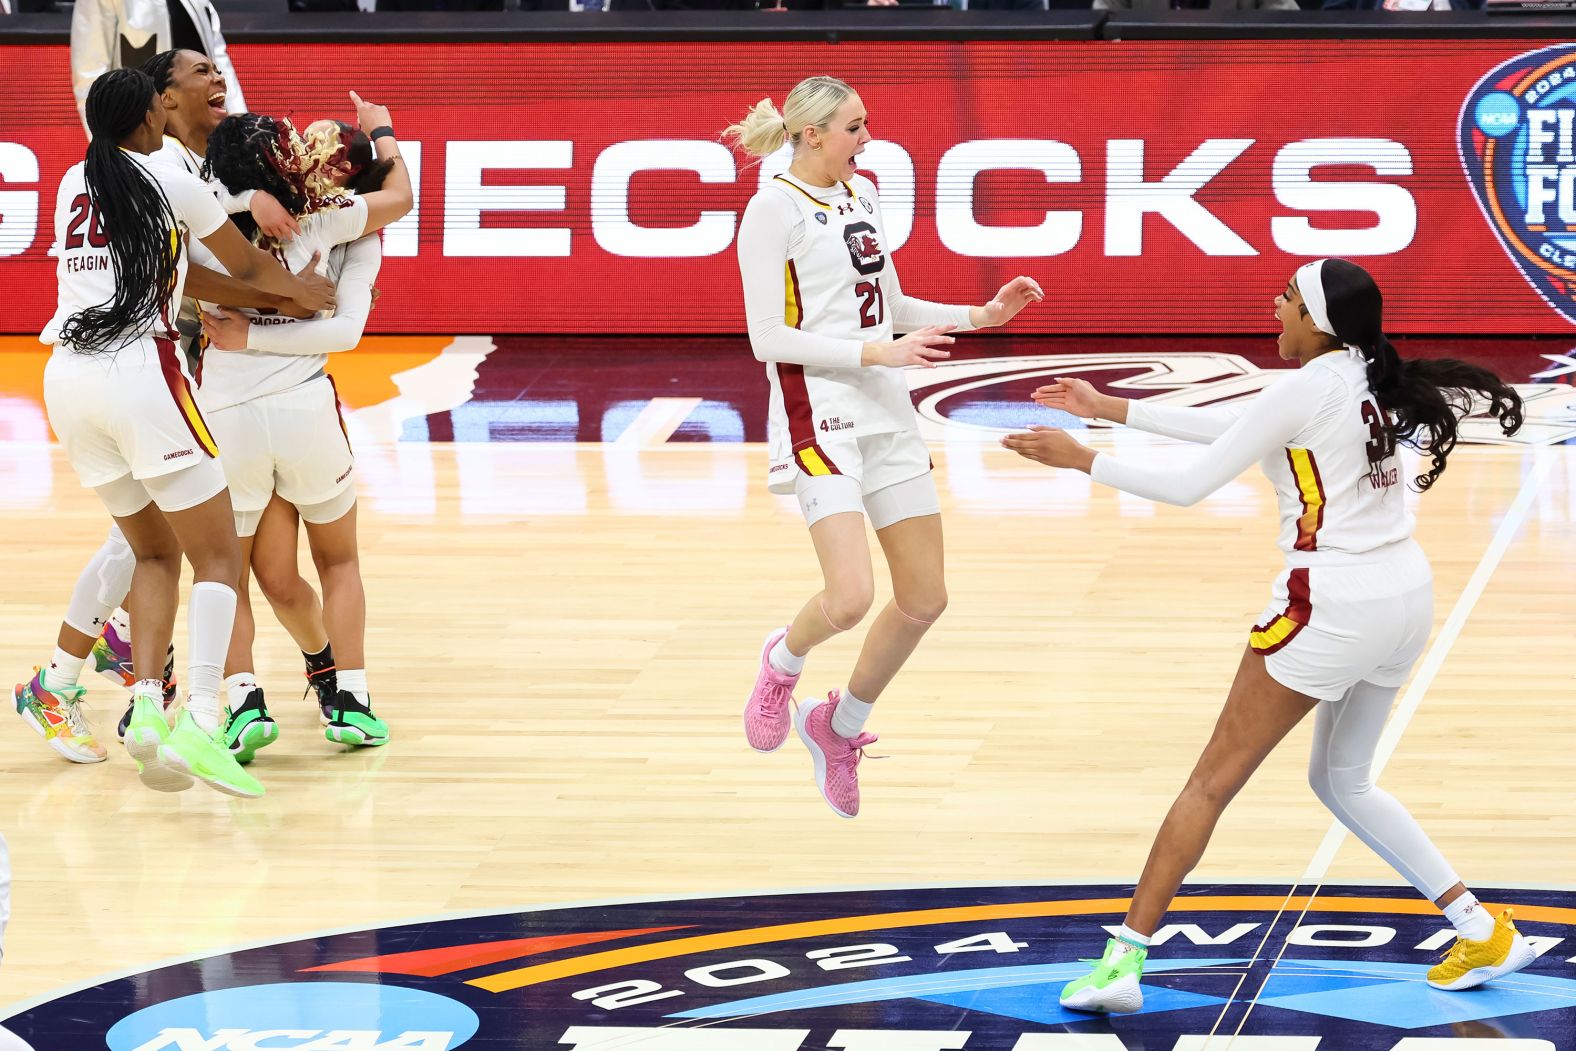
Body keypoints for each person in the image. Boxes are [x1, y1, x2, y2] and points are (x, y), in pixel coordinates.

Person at [1001, 258, 1532, 1011]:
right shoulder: (1361, 372)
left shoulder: (1309, 384)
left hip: (1332, 602)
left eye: (1287, 296)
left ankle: (1121, 964)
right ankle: (1480, 928)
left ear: (1317, 319)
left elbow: (1192, 484)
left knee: (1209, 781)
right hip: (1404, 593)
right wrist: (1112, 408)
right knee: (1342, 780)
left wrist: (1085, 459)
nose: (1273, 304)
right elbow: (1247, 432)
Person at [727, 75, 1042, 818]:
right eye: (853, 128)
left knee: (925, 597)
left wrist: (982, 314)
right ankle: (782, 663)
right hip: (822, 409)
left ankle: (838, 727)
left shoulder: (861, 194)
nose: (866, 140)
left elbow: (891, 305)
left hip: (886, 408)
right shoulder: (771, 209)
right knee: (850, 596)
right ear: (810, 134)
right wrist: (878, 355)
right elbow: (765, 338)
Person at [11, 48, 311, 765]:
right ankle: (198, 712)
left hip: (67, 378)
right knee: (208, 551)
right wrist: (297, 293)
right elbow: (231, 268)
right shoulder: (171, 171)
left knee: (145, 544)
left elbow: (183, 264)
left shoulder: (74, 177)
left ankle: (71, 682)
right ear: (154, 110)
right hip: (137, 372)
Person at [196, 98, 412, 754]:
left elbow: (177, 202)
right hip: (304, 409)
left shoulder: (199, 214)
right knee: (336, 559)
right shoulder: (333, 218)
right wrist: (384, 127)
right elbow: (400, 198)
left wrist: (242, 339)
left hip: (228, 415)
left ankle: (242, 703)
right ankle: (350, 700)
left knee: (226, 569)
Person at [70, 0, 245, 131]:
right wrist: (105, 147)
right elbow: (90, 75)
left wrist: (239, 120)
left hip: (201, 125)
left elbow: (217, 57)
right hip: (143, 125)